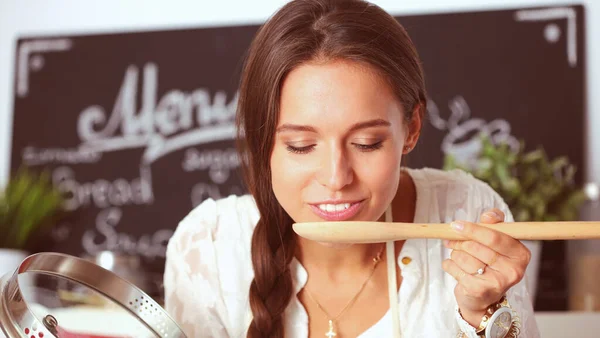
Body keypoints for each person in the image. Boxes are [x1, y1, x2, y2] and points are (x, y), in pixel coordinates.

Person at [164, 0, 540, 337]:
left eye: (366, 144)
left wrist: (481, 315)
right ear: (262, 141)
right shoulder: (208, 248)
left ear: (411, 128)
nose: (335, 178)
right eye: (301, 146)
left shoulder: (466, 209)